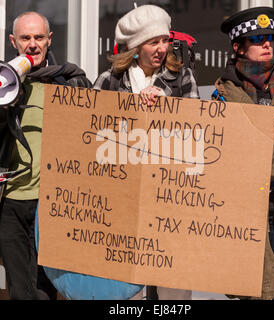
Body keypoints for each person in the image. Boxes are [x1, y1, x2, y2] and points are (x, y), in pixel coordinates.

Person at [93, 4, 199, 300]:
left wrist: (165, 102)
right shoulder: (109, 81)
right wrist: (128, 110)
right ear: (136, 47)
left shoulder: (182, 79)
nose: (162, 48)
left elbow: (197, 134)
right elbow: (88, 134)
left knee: (172, 295)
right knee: (127, 295)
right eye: (154, 42)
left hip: (170, 205)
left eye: (165, 40)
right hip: (122, 207)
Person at [0, 11, 91, 300]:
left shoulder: (70, 81)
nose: (33, 44)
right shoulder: (4, 82)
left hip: (51, 202)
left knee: (44, 291)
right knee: (18, 290)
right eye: (25, 38)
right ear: (13, 41)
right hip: (10, 203)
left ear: (49, 40)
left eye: (39, 37)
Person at [212, 7, 274, 300]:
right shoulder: (222, 99)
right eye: (257, 39)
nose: (267, 44)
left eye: (270, 38)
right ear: (238, 47)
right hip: (250, 218)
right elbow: (240, 160)